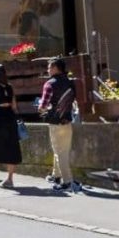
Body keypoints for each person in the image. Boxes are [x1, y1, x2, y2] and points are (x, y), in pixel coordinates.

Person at [39, 58, 80, 193]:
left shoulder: (49, 84)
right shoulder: (70, 83)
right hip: (67, 120)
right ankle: (56, 176)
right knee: (63, 150)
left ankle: (67, 182)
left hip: (55, 122)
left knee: (60, 152)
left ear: (56, 68)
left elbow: (43, 105)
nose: (48, 70)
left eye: (50, 67)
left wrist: (40, 108)